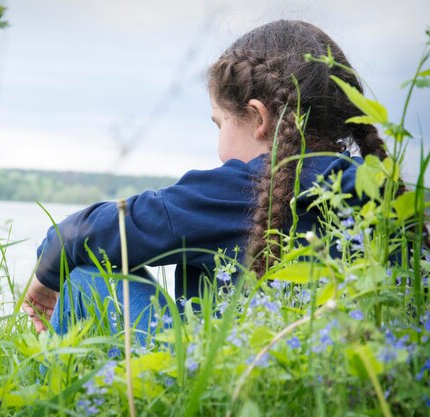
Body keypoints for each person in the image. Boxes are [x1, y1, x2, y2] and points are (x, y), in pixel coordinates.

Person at [22, 20, 386, 336]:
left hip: (219, 371)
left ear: (258, 118)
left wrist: (47, 272)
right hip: (331, 369)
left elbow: (99, 229)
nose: (219, 142)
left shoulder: (238, 189)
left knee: (87, 274)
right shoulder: (380, 190)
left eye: (219, 123)